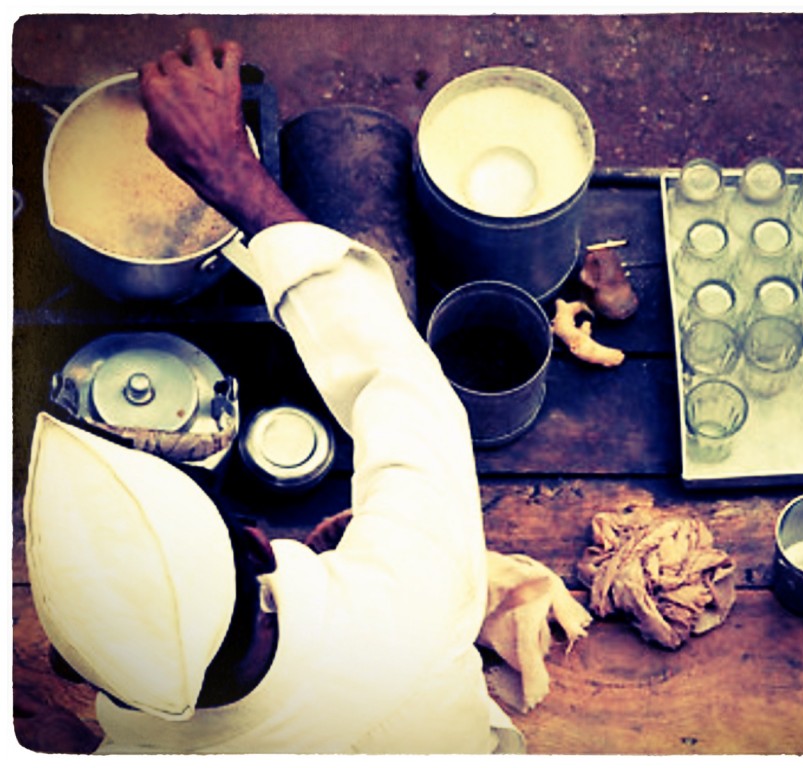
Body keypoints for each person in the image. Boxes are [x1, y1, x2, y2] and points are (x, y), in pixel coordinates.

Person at [22, 27, 523, 754]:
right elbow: (400, 378)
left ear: (80, 673)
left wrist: (75, 746)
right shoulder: (409, 599)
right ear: (258, 547)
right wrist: (228, 169)